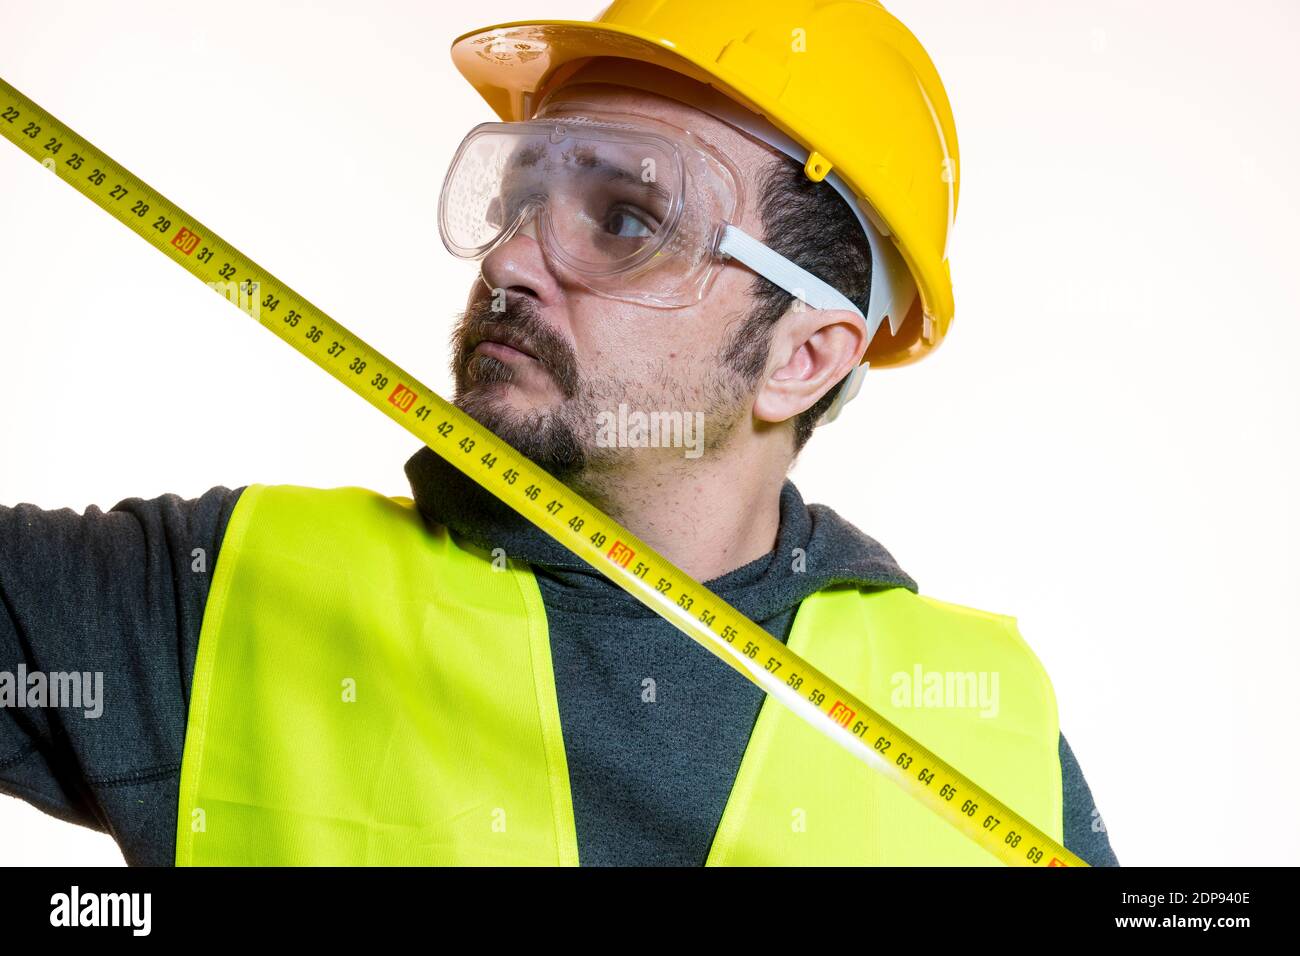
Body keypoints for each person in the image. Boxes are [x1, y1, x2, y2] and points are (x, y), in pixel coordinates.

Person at [0, 0, 1118, 866]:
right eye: (522, 194)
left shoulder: (984, 733)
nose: (507, 259)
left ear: (802, 356)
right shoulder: (226, 593)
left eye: (627, 218)